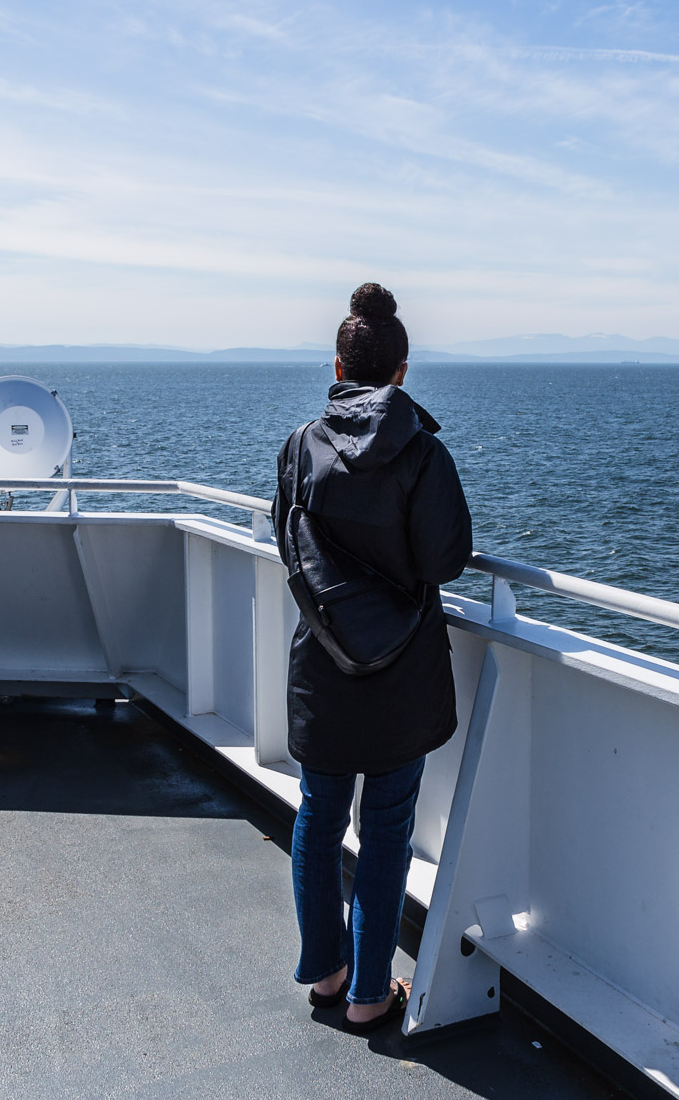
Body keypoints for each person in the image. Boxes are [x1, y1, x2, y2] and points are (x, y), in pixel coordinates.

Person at [272, 282, 473, 1034]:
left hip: (322, 661)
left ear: (337, 365)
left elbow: (287, 539)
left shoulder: (299, 446)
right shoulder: (422, 454)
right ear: (403, 371)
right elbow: (446, 560)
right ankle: (367, 995)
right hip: (401, 671)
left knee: (318, 817)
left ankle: (325, 975)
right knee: (386, 830)